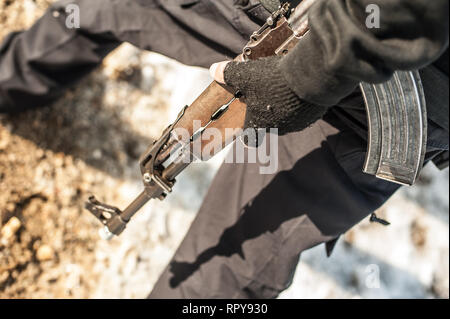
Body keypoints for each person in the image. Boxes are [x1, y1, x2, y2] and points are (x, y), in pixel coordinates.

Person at [0, 0, 448, 298]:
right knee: (227, 272)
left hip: (370, 89)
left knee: (225, 271)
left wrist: (308, 76)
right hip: (327, 49)